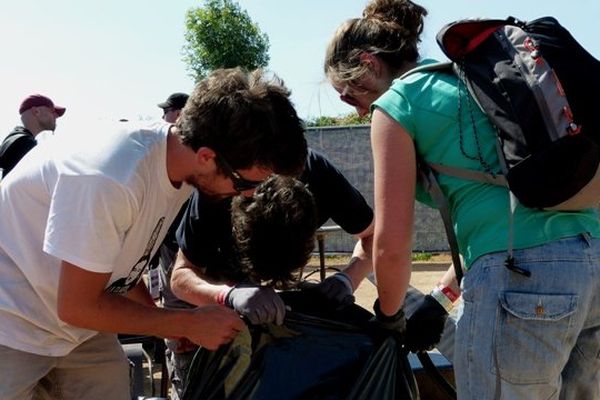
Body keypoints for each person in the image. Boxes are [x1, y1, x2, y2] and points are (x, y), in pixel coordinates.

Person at [324, 1, 600, 399]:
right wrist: (439, 302)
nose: (357, 107)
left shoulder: (399, 104)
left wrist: (389, 317)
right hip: (591, 265)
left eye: (350, 95)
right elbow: (496, 214)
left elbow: (392, 245)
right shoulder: (479, 77)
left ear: (368, 63)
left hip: (521, 281)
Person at [0, 67, 308, 400]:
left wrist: (166, 326)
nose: (247, 195)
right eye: (245, 183)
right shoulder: (110, 177)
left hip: (76, 329)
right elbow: (76, 305)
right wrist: (184, 324)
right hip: (12, 322)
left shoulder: (175, 166)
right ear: (207, 156)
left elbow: (123, 272)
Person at [0, 94, 65, 178]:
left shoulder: (14, 139)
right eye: (52, 111)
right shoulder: (24, 143)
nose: (56, 116)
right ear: (36, 112)